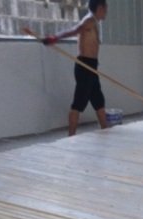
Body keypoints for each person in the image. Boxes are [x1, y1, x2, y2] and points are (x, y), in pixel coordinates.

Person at [42, 0, 108, 136]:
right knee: (78, 103)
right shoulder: (89, 20)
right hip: (85, 66)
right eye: (105, 8)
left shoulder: (94, 22)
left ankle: (106, 130)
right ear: (100, 8)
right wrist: (55, 38)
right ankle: (71, 136)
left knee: (98, 100)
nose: (106, 12)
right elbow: (75, 30)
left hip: (91, 66)